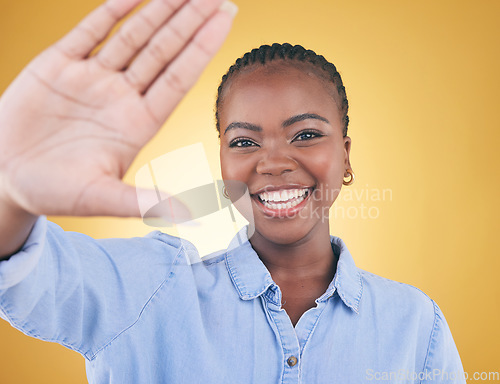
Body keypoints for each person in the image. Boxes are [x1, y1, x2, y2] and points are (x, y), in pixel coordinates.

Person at [0, 0, 465, 382]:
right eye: (244, 141)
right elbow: (29, 275)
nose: (274, 162)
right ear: (221, 162)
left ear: (345, 157)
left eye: (305, 134)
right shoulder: (150, 285)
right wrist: (10, 191)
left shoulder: (415, 325)